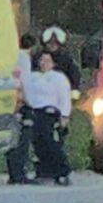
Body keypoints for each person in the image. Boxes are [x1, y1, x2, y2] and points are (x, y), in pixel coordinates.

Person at [23, 53, 72, 186]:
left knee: (50, 141)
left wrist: (65, 115)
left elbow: (64, 97)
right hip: (34, 111)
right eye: (42, 60)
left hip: (51, 112)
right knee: (37, 142)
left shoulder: (58, 78)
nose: (44, 63)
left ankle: (62, 171)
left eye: (47, 60)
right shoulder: (33, 77)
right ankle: (44, 169)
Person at [7, 34, 38, 184]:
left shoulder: (11, 55)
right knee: (22, 139)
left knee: (12, 139)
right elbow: (25, 82)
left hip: (9, 101)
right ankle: (19, 173)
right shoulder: (24, 59)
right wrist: (30, 102)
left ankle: (13, 173)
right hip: (21, 103)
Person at [35, 26, 81, 94]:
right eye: (50, 42)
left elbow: (74, 77)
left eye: (56, 43)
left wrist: (73, 90)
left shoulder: (66, 59)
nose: (53, 45)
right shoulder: (37, 57)